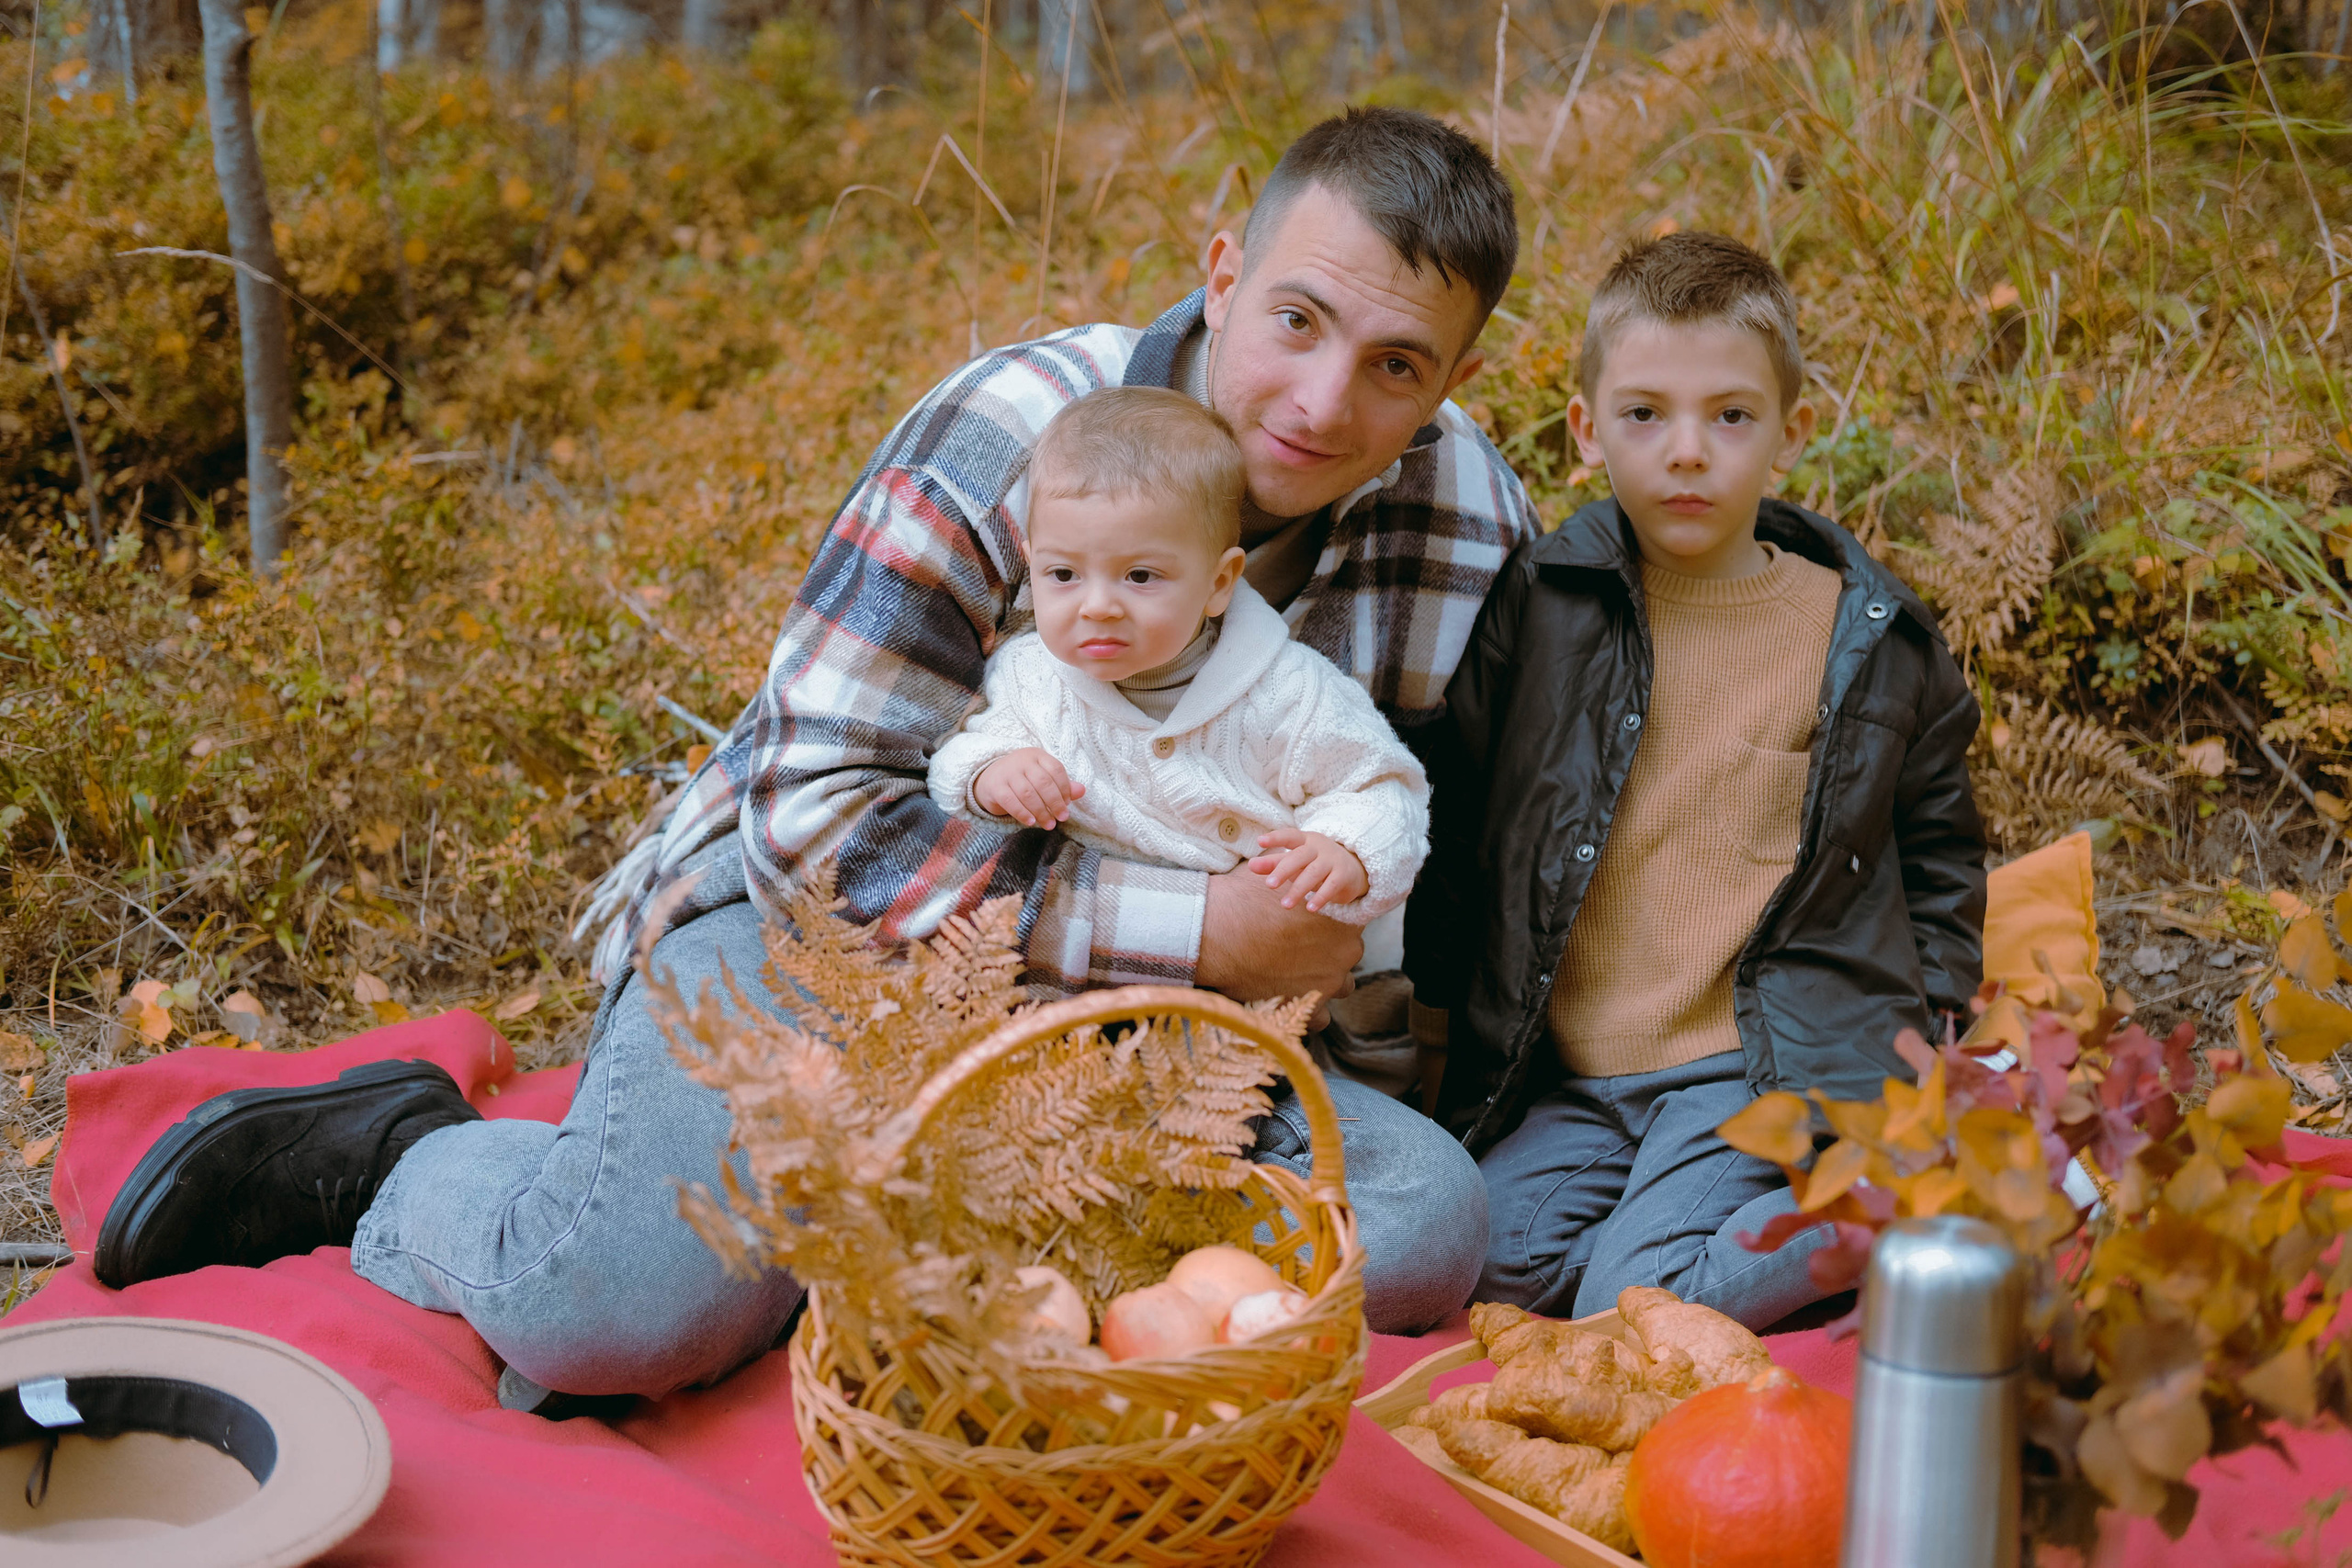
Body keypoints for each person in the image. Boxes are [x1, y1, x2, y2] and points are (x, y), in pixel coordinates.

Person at [93, 106, 1538, 1401]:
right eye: (1296, 319)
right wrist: (1207, 928)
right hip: (831, 938)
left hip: (1147, 1038)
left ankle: (879, 1236)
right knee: (606, 1316)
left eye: (1394, 364)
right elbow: (816, 811)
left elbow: (1460, 834)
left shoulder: (1464, 509)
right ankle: (404, 1156)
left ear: (1454, 375)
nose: (1324, 401)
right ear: (1224, 274)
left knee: (1418, 1225)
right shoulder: (1012, 433)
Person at [1404, 231, 1985, 1331]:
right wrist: (1436, 1021)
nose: (1686, 452)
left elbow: (1940, 845)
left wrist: (1935, 1023)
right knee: (1484, 1272)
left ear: (1789, 431)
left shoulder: (1864, 637)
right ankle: (1738, 1241)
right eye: (1643, 415)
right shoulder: (1540, 610)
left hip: (1755, 1067)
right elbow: (1465, 813)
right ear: (1586, 432)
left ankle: (1890, 1207)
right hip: (1578, 1077)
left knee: (1633, 1303)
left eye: (1730, 415)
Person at [930, 386, 1429, 960]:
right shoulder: (1029, 677)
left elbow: (1380, 788)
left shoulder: (1290, 692)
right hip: (1096, 954)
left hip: (1260, 964)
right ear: (1031, 559)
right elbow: (960, 759)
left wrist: (1347, 850)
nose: (1097, 606)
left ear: (1219, 583)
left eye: (1140, 577)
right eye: (1063, 574)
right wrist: (991, 776)